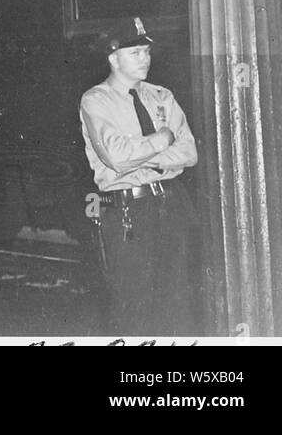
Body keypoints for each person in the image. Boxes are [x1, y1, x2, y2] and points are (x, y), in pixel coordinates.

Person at [79, 16, 198, 335]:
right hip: (128, 214)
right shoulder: (96, 100)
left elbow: (189, 152)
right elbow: (116, 158)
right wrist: (160, 141)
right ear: (113, 58)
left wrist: (143, 155)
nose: (145, 58)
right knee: (133, 307)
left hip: (171, 205)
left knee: (176, 304)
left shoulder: (161, 96)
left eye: (146, 52)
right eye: (135, 53)